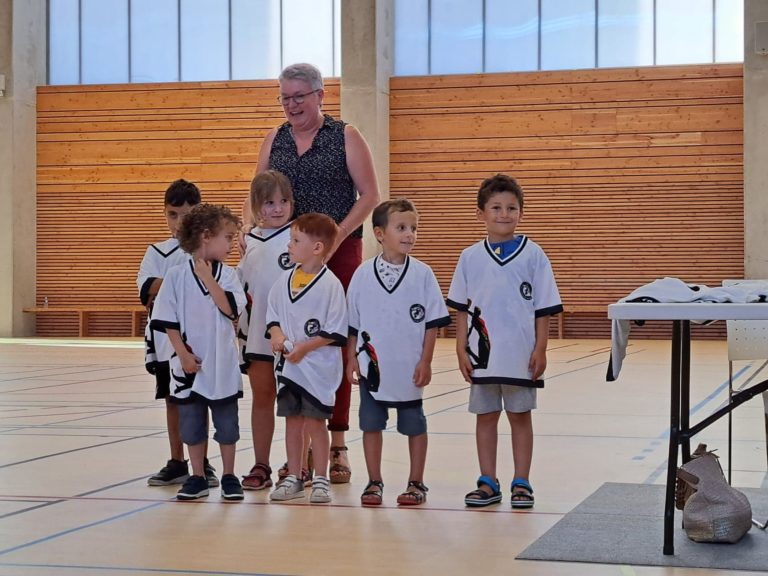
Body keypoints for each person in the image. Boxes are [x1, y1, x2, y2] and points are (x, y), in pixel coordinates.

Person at [246, 62, 380, 483]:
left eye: (299, 97)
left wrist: (335, 237)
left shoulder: (345, 136)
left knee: (332, 345)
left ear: (320, 95)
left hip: (337, 250)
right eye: (285, 97)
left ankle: (336, 444)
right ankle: (301, 450)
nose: (291, 105)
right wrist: (249, 233)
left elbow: (370, 195)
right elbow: (257, 192)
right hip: (287, 255)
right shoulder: (275, 138)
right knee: (293, 344)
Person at [446, 174, 563, 509]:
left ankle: (521, 481)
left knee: (520, 416)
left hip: (521, 355)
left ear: (521, 213)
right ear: (480, 213)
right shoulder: (470, 257)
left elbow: (544, 308)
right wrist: (460, 348)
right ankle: (488, 481)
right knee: (485, 417)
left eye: (511, 208)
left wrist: (541, 348)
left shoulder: (534, 255)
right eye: (496, 207)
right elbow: (461, 309)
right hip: (482, 356)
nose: (504, 214)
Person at [346, 199, 450, 506]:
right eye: (401, 227)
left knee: (414, 425)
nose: (409, 234)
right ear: (380, 234)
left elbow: (432, 324)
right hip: (372, 367)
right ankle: (374, 481)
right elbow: (352, 324)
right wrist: (350, 358)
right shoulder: (363, 274)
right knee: (370, 424)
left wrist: (426, 361)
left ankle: (416, 482)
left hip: (408, 367)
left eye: (413, 228)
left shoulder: (423, 274)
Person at [150, 204, 246, 501]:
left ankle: (229, 475)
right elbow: (167, 320)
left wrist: (208, 279)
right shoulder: (176, 276)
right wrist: (182, 354)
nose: (231, 245)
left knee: (227, 426)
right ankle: (197, 476)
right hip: (188, 367)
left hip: (222, 366)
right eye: (227, 238)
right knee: (192, 426)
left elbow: (230, 309)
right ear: (206, 236)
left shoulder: (228, 276)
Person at [137, 179, 217, 488]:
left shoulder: (208, 250)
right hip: (164, 341)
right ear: (165, 214)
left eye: (188, 214)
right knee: (172, 398)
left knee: (199, 398)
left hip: (200, 339)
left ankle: (202, 462)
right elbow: (146, 287)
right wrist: (182, 281)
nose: (180, 221)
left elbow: (213, 286)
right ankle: (177, 461)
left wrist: (172, 284)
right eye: (173, 214)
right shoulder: (157, 251)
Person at [266, 213, 347, 503]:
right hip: (290, 368)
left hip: (317, 369)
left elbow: (335, 330)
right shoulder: (283, 281)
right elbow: (272, 316)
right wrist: (276, 335)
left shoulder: (331, 285)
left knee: (315, 424)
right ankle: (295, 476)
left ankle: (321, 478)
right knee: (292, 422)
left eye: (295, 240)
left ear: (317, 247)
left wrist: (305, 347)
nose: (289, 245)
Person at [237, 170, 295, 491]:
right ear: (256, 206)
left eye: (284, 201)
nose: (278, 208)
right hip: (257, 333)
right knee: (262, 397)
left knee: (295, 403)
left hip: (291, 337)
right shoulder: (249, 241)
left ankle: (298, 465)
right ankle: (261, 464)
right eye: (270, 202)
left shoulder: (298, 236)